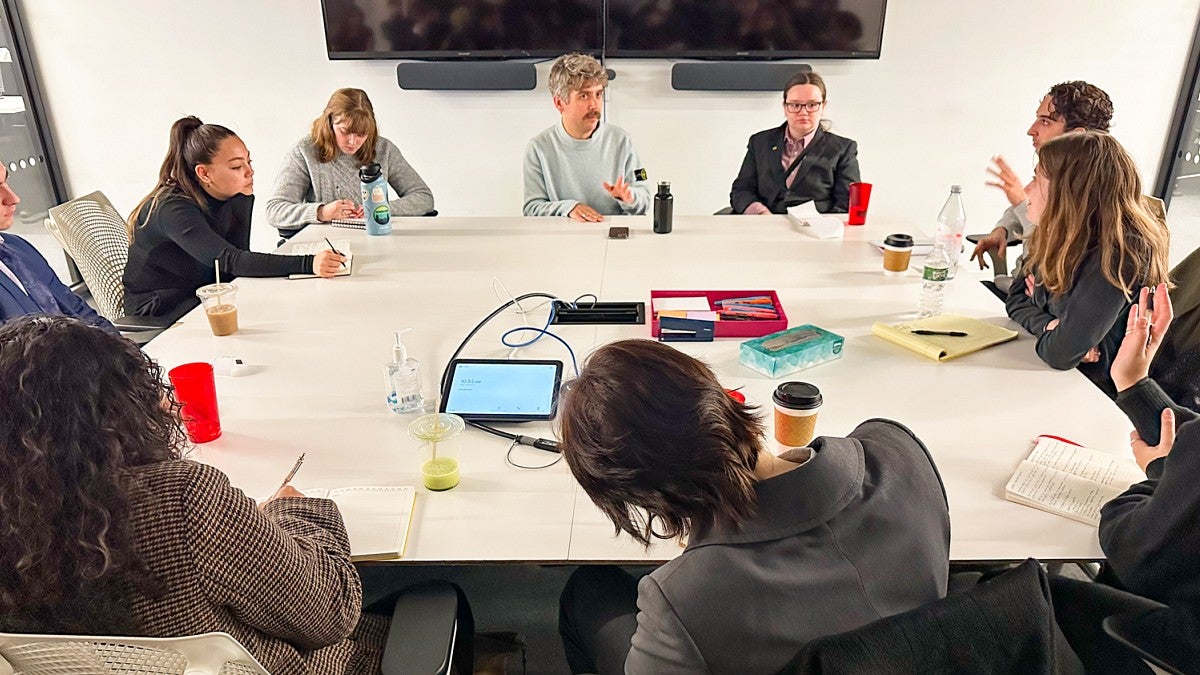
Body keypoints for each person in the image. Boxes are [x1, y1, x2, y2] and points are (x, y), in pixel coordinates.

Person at [0, 315, 476, 674]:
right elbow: (331, 613)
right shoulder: (180, 499)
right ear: (116, 412)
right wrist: (296, 512)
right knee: (441, 597)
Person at [556, 339, 950, 674]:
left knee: (588, 588)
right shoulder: (899, 452)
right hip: (922, 657)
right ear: (719, 398)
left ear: (643, 497)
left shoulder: (682, 599)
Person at [1050, 284, 1200, 674]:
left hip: (1169, 640)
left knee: (1013, 593)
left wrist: (1158, 474)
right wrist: (1134, 383)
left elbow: (1132, 550)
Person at [123, 117, 345, 317]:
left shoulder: (232, 194)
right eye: (237, 166)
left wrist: (243, 199)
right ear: (204, 173)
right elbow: (231, 260)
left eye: (249, 162)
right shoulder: (172, 209)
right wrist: (309, 263)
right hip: (162, 308)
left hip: (205, 293)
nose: (250, 172)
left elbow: (233, 267)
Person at [1004, 131, 1170, 398]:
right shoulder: (1058, 231)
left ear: (1067, 191)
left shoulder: (1120, 252)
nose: (1026, 189)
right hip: (1052, 379)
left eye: (1037, 179)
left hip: (1096, 394)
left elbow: (1061, 353)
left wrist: (1053, 321)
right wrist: (1051, 325)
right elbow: (1014, 300)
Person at [969, 81, 1114, 288]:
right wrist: (1003, 229)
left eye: (1045, 122)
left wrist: (1019, 200)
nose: (1031, 130)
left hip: (1034, 300)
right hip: (1018, 291)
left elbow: (1047, 256)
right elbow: (1030, 208)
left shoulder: (1089, 191)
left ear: (1076, 135)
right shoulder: (1056, 168)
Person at [266, 88, 434, 240]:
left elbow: (423, 197)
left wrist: (380, 209)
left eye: (361, 134)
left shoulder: (383, 149)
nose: (352, 142)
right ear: (330, 123)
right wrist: (322, 212)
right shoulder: (305, 151)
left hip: (378, 240)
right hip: (325, 247)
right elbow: (275, 211)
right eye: (344, 132)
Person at [523, 53, 651, 221]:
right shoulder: (538, 148)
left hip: (612, 237)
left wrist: (629, 197)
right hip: (563, 238)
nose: (594, 105)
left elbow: (645, 194)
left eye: (598, 94)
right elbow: (532, 208)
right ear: (559, 103)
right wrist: (569, 208)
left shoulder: (622, 140)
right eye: (584, 96)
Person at [0, 164, 116, 332]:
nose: (14, 198)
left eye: (6, 182)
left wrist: (124, 352)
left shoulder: (17, 247)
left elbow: (78, 310)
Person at [729, 71, 860, 215]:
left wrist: (824, 227)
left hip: (816, 231)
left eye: (812, 105)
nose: (803, 112)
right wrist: (760, 213)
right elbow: (741, 191)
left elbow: (847, 203)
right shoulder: (760, 142)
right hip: (766, 226)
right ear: (785, 108)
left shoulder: (842, 149)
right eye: (795, 105)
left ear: (823, 107)